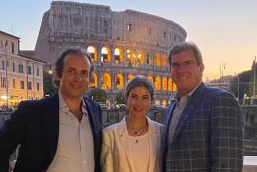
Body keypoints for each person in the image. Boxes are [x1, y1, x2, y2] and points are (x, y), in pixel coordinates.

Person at [0, 49, 102, 172]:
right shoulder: (32, 111)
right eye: (71, 71)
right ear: (58, 75)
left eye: (84, 73)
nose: (78, 78)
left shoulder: (95, 109)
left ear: (89, 79)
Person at [162, 42, 244, 171]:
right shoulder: (171, 107)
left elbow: (227, 166)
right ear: (170, 70)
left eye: (187, 63)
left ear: (201, 68)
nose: (181, 70)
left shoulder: (221, 100)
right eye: (175, 65)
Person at [101, 75, 164, 172]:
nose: (139, 103)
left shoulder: (161, 132)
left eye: (145, 97)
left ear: (151, 101)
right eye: (134, 96)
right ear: (126, 98)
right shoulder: (110, 135)